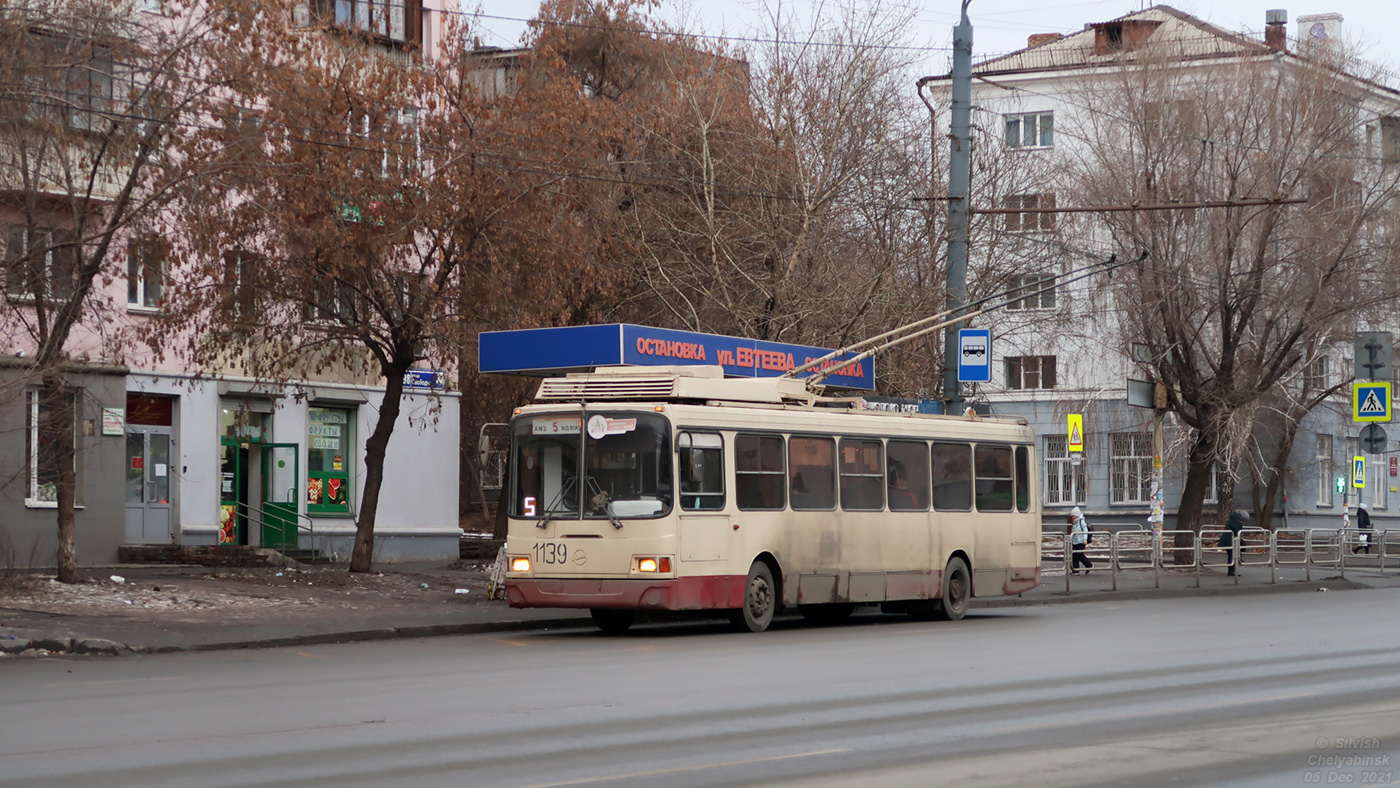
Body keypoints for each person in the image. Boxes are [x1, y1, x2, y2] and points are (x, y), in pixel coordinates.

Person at [1218, 510, 1245, 576]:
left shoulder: (1230, 520)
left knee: (1231, 554)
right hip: (1231, 541)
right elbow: (1237, 531)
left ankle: (1231, 570)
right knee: (1232, 555)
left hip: (1227, 540)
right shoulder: (1237, 522)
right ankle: (1232, 570)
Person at [1068, 506, 1093, 575]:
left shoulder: (1081, 521)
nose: (1073, 517)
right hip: (1075, 541)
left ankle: (1089, 565)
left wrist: (1085, 539)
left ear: (1077, 515)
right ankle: (1075, 570)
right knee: (1074, 555)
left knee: (1079, 554)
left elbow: (1085, 530)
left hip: (1081, 541)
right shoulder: (1075, 522)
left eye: (1074, 516)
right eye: (1072, 516)